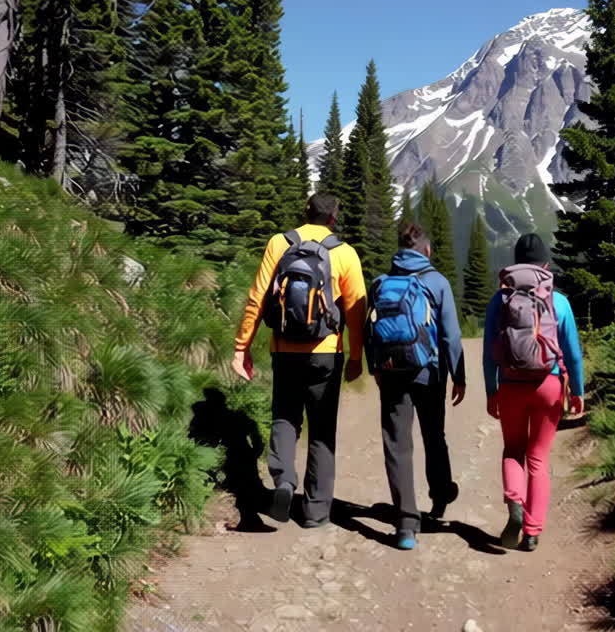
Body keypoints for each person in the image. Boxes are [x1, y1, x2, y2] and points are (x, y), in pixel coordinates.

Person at [233, 193, 366, 528]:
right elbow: (355, 311)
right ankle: (316, 511)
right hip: (326, 353)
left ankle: (283, 482)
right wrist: (356, 356)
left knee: (284, 418)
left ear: (305, 212)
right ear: (334, 218)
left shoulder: (279, 243)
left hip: (284, 349)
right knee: (322, 429)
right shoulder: (344, 253)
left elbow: (258, 296)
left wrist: (241, 346)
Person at [366, 222, 466, 550]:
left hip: (392, 372)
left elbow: (370, 328)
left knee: (397, 443)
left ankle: (406, 525)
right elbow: (451, 335)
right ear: (426, 250)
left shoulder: (381, 282)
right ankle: (438, 499)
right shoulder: (437, 282)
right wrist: (459, 375)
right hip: (430, 373)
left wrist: (375, 367)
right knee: (433, 435)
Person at [482, 232, 584, 552]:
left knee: (513, 450)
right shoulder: (560, 301)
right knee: (538, 459)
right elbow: (574, 353)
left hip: (511, 385)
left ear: (515, 263)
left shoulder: (500, 299)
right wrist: (577, 391)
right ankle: (532, 531)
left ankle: (514, 502)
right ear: (546, 264)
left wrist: (491, 390)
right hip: (548, 386)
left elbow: (488, 353)